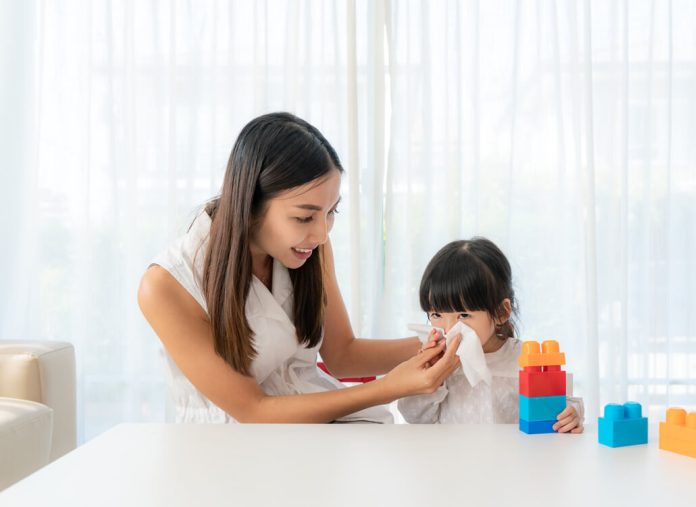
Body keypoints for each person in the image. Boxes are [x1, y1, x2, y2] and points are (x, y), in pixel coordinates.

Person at [138, 112, 460, 423]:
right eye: (304, 217)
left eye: (332, 211)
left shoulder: (310, 247)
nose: (322, 234)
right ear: (249, 205)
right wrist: (387, 389)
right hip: (229, 452)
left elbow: (343, 355)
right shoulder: (166, 286)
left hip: (315, 433)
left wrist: (445, 343)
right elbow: (254, 410)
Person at [397, 238, 584, 430]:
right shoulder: (438, 363)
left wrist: (572, 413)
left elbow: (563, 405)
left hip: (512, 458)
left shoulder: (524, 359)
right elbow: (414, 417)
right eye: (436, 314)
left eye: (463, 315)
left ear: (501, 312)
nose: (449, 329)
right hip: (452, 457)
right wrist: (431, 378)